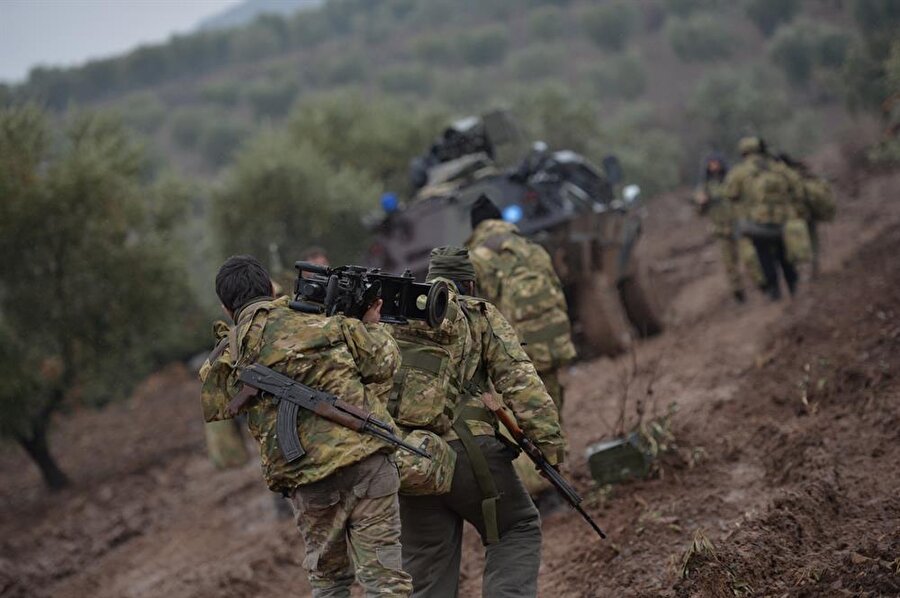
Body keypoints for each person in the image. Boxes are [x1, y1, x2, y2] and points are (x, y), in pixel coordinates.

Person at [199, 255, 412, 597]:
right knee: (386, 582)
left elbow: (218, 403)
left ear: (225, 308)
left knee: (329, 583)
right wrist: (371, 323)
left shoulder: (230, 354)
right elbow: (384, 365)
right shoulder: (321, 320)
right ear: (271, 288)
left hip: (307, 479)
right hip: (367, 461)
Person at [391, 247, 565, 598]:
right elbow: (520, 381)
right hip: (472, 454)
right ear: (469, 283)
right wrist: (549, 448)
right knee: (517, 526)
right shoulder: (478, 314)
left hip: (411, 460)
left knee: (427, 569)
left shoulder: (395, 320)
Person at [465, 195, 576, 502]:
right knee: (549, 409)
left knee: (522, 418)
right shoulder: (533, 249)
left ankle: (540, 492)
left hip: (519, 353)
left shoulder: (478, 258)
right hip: (553, 341)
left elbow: (480, 311)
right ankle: (558, 476)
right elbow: (558, 285)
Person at [724, 137, 807, 301]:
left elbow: (730, 193)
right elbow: (797, 186)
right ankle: (793, 287)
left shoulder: (740, 172)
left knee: (765, 258)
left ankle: (774, 291)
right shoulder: (776, 167)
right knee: (785, 255)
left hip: (757, 224)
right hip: (782, 220)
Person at [693, 153, 746, 303]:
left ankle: (763, 282)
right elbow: (699, 211)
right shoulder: (705, 186)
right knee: (730, 264)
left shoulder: (731, 180)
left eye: (716, 163)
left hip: (738, 224)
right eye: (711, 163)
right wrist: (701, 202)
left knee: (749, 256)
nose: (714, 166)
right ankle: (738, 291)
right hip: (721, 229)